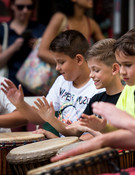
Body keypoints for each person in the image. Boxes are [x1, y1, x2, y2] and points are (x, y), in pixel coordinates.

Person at [51, 28, 135, 162]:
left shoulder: (124, 91)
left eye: (128, 65)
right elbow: (124, 136)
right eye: (121, 65)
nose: (122, 71)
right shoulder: (129, 90)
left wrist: (96, 132)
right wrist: (103, 128)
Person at [1, 30, 104, 138]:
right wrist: (20, 104)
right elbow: (39, 117)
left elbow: (97, 134)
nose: (57, 68)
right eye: (56, 62)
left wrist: (61, 144)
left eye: (61, 62)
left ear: (78, 59)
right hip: (63, 147)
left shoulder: (99, 86)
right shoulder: (61, 82)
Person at [66, 38, 124, 138]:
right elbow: (76, 130)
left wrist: (90, 130)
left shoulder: (128, 98)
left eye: (96, 70)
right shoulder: (96, 100)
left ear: (114, 69)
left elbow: (121, 137)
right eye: (90, 70)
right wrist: (51, 120)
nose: (91, 75)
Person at [0, 0, 46, 96]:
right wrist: (13, 47)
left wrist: (38, 47)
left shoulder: (40, 29)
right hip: (8, 87)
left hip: (34, 88)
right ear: (12, 6)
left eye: (29, 7)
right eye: (20, 7)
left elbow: (52, 57)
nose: (25, 11)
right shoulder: (3, 30)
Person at [38, 0, 105, 65]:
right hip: (56, 74)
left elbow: (108, 49)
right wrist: (68, 63)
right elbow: (42, 52)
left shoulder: (91, 24)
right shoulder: (60, 18)